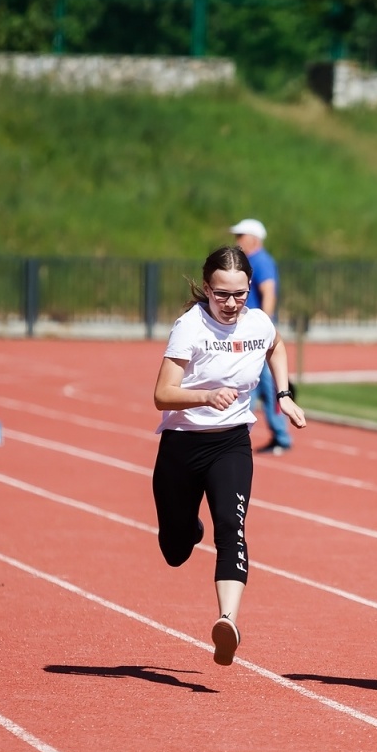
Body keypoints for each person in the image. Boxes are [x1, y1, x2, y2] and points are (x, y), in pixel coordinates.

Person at [151, 246, 306, 666]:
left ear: (249, 289)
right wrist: (205, 396)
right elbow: (162, 395)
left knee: (232, 528)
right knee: (175, 548)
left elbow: (276, 347)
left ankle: (227, 621)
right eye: (222, 294)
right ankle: (187, 528)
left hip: (231, 443)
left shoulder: (258, 322)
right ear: (207, 288)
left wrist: (285, 395)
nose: (231, 303)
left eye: (239, 294)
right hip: (182, 445)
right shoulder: (189, 326)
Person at [232, 218, 293, 456]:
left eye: (241, 236)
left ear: (254, 239)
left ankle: (281, 436)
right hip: (250, 334)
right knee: (249, 385)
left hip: (258, 336)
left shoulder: (261, 261)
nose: (237, 241)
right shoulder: (249, 261)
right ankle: (239, 434)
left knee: (270, 387)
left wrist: (263, 326)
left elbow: (269, 292)